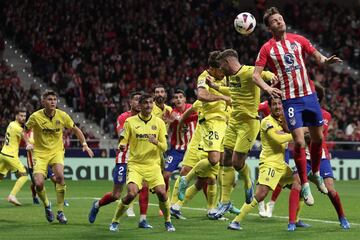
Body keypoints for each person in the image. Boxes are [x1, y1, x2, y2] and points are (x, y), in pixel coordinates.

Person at [253, 6, 342, 205]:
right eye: (274, 21)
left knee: (317, 138)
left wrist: (326, 61)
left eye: (280, 18)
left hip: (309, 96)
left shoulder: (298, 40)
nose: (279, 22)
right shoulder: (267, 49)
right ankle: (305, 183)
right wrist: (268, 88)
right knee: (300, 142)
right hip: (291, 100)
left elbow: (317, 56)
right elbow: (255, 75)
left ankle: (316, 173)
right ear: (270, 28)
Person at [262, 84, 351, 230]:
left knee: (330, 188)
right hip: (303, 154)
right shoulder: (297, 112)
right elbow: (294, 131)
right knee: (296, 185)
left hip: (320, 156)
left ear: (316, 98)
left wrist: (297, 131)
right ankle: (291, 223)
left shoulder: (324, 115)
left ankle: (342, 217)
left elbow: (314, 134)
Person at [206, 49, 276, 219]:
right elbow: (234, 92)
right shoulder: (232, 77)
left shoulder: (250, 72)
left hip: (249, 123)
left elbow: (265, 74)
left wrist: (272, 77)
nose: (221, 69)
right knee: (225, 160)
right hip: (234, 122)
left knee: (237, 163)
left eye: (222, 65)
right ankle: (225, 201)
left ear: (228, 62)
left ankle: (248, 180)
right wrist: (216, 87)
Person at [228, 96, 302, 231]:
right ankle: (236, 221)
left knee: (300, 185)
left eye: (280, 104)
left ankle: (295, 220)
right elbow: (278, 139)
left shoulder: (283, 121)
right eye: (274, 104)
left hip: (282, 165)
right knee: (261, 194)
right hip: (269, 164)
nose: (278, 107)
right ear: (270, 107)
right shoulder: (267, 122)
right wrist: (298, 134)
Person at [24, 89, 94, 224]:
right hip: (40, 153)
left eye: (54, 100)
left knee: (60, 177)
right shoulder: (35, 116)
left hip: (56, 151)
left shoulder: (62, 115)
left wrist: (84, 144)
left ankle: (60, 212)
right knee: (38, 183)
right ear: (43, 101)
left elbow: (76, 129)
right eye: (49, 99)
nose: (53, 102)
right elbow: (24, 131)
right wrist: (27, 142)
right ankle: (47, 205)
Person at [109, 93, 175, 232]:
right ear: (140, 105)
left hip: (153, 165)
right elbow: (124, 139)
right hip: (136, 165)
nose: (149, 105)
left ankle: (168, 221)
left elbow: (165, 147)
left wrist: (156, 141)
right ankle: (115, 221)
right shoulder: (130, 122)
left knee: (162, 193)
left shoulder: (159, 123)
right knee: (131, 194)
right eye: (145, 103)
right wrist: (122, 145)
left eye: (151, 103)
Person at [177, 51, 231, 215]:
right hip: (210, 125)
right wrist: (221, 97)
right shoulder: (203, 77)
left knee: (212, 175)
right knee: (213, 162)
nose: (223, 73)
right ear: (212, 69)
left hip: (224, 125)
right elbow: (201, 95)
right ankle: (184, 186)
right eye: (220, 70)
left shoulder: (225, 77)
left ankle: (214, 207)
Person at [88, 92, 152, 228]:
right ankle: (97, 204)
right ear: (131, 102)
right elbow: (122, 135)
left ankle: (143, 220)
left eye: (141, 100)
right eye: (136, 100)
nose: (139, 103)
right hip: (125, 158)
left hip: (141, 160)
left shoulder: (149, 118)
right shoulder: (124, 117)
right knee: (116, 195)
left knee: (143, 188)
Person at [163, 89, 197, 201]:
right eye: (176, 97)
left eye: (180, 97)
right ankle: (166, 201)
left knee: (205, 178)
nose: (178, 99)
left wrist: (175, 120)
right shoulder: (173, 112)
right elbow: (175, 118)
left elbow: (196, 116)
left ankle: (210, 207)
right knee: (166, 175)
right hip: (177, 149)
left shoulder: (192, 107)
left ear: (185, 99)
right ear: (173, 100)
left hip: (193, 149)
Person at [0, 108, 29, 206]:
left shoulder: (11, 124)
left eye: (24, 116)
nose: (23, 118)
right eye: (21, 115)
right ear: (16, 116)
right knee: (24, 175)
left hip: (3, 154)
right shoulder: (18, 128)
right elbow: (26, 139)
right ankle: (12, 196)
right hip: (11, 156)